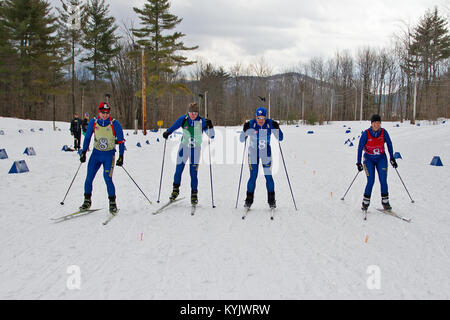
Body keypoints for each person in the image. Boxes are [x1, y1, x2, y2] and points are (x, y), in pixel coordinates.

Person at [162, 102, 215, 205]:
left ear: (198, 113)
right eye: (191, 113)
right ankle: (175, 190)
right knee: (178, 170)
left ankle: (194, 194)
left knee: (193, 173)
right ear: (188, 112)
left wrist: (211, 126)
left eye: (195, 113)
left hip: (195, 150)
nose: (193, 115)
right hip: (184, 148)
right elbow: (174, 126)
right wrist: (168, 132)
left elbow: (211, 136)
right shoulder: (184, 119)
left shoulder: (202, 121)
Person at [79, 102, 125, 214]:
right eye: (102, 112)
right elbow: (87, 137)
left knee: (107, 178)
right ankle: (87, 200)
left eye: (107, 113)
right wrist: (84, 152)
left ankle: (112, 202)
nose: (105, 115)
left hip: (109, 155)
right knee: (89, 177)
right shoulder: (93, 122)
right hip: (96, 154)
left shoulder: (115, 123)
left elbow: (121, 140)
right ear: (99, 112)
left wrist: (121, 156)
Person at [240, 107, 283, 209]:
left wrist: (277, 128)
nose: (260, 120)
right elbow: (242, 139)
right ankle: (248, 201)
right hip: (253, 153)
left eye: (263, 118)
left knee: (268, 176)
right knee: (253, 176)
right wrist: (244, 130)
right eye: (258, 118)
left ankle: (271, 200)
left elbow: (280, 138)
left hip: (265, 153)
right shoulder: (251, 124)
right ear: (256, 116)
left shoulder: (270, 124)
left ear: (266, 117)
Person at [356, 114, 397, 211]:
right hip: (368, 160)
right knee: (371, 180)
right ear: (371, 124)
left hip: (381, 158)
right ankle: (365, 203)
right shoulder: (366, 134)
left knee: (383, 180)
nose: (376, 125)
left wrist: (392, 157)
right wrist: (358, 162)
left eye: (378, 123)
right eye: (375, 123)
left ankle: (385, 202)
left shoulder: (383, 132)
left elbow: (389, 144)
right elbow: (360, 148)